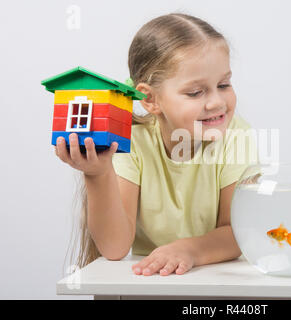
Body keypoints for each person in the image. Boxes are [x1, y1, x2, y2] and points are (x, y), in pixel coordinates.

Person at [55, 13, 261, 277]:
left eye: (223, 84)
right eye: (196, 92)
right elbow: (115, 248)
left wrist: (190, 250)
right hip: (154, 281)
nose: (217, 102)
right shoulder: (132, 140)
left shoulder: (236, 135)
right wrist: (97, 174)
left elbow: (236, 232)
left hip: (222, 280)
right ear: (150, 99)